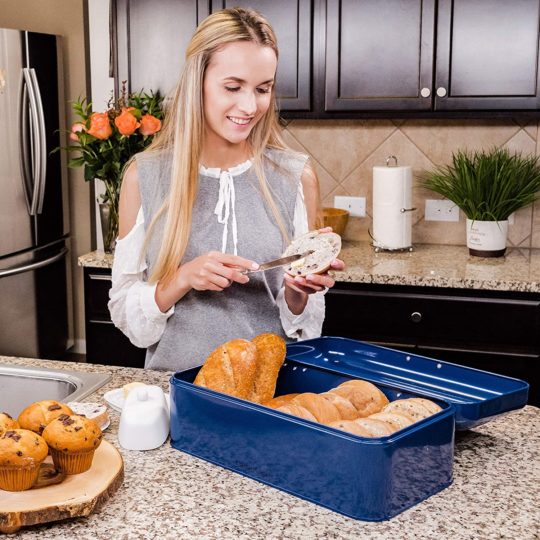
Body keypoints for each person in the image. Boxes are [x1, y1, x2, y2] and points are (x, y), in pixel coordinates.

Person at [108, 7, 344, 371]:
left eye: (262, 89)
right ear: (197, 82)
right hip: (177, 394)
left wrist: (297, 295)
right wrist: (182, 279)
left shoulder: (296, 177)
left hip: (272, 393)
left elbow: (303, 323)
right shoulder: (145, 176)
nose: (250, 106)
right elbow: (129, 317)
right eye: (233, 87)